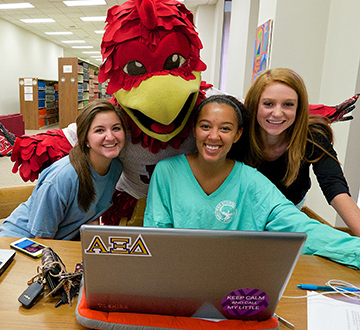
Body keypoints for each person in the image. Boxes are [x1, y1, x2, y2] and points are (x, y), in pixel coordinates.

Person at [144, 95, 360, 269]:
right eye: (206, 126)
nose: (214, 136)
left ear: (238, 135)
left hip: (236, 287)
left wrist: (356, 251)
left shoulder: (252, 181)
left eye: (225, 129)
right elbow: (156, 237)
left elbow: (302, 228)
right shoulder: (168, 172)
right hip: (177, 278)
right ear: (194, 130)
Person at [243, 68, 360, 237]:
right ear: (255, 105)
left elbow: (335, 187)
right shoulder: (239, 135)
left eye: (288, 105)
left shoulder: (312, 136)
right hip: (245, 210)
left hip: (289, 208)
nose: (277, 113)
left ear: (299, 108)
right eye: (268, 104)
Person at [0, 100, 127, 240]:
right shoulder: (63, 177)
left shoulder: (115, 167)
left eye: (116, 128)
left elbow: (91, 214)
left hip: (60, 242)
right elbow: (42, 239)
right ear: (85, 139)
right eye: (99, 130)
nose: (110, 137)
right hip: (21, 243)